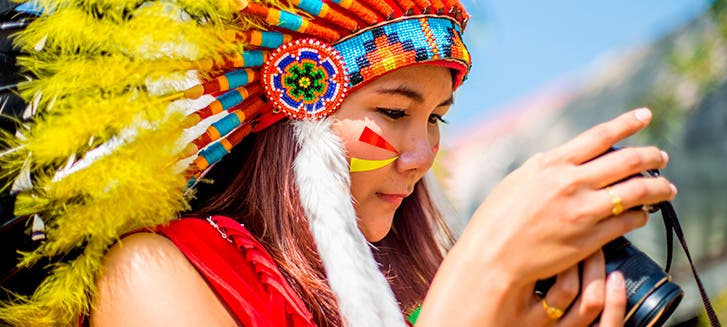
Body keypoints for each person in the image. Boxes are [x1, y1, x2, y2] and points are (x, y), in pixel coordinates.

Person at [0, 1, 675, 326]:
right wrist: (482, 274)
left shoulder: (414, 289)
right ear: (297, 117)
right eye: (392, 112)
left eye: (436, 118)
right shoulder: (151, 274)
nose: (420, 156)